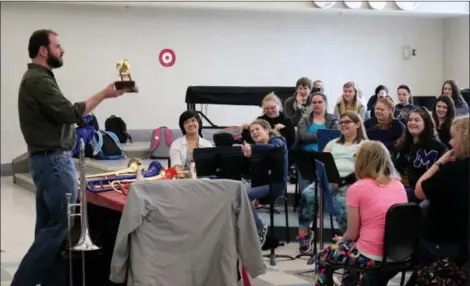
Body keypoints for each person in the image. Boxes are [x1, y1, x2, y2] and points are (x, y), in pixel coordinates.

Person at [12, 29, 129, 286]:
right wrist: (103, 94)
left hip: (47, 162)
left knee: (49, 230)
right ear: (43, 50)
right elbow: (68, 112)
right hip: (54, 162)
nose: (62, 50)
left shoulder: (41, 78)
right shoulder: (37, 80)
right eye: (57, 46)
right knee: (58, 229)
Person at [311, 140, 407, 286]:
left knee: (322, 258)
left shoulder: (358, 188)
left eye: (356, 155)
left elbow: (352, 234)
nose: (354, 157)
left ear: (363, 160)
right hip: (399, 254)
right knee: (353, 248)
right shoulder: (398, 184)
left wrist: (343, 239)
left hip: (372, 255)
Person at [296, 111, 367, 253]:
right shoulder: (332, 143)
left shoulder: (365, 145)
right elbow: (321, 161)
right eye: (341, 122)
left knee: (341, 202)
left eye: (347, 122)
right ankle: (304, 233)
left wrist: (343, 181)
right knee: (307, 194)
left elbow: (365, 168)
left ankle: (349, 240)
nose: (343, 125)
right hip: (327, 179)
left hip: (350, 183)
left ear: (358, 124)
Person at [242, 119, 288, 247]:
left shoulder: (277, 140)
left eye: (257, 129)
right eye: (252, 131)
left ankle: (259, 228)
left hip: (275, 184)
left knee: (244, 193)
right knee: (236, 191)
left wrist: (252, 147)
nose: (254, 132)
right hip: (261, 183)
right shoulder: (257, 147)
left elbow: (276, 148)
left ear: (266, 130)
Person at [394, 107, 447, 203]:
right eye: (410, 120)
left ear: (426, 124)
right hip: (401, 187)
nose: (412, 123)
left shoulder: (438, 148)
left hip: (423, 193)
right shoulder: (402, 145)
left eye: (417, 120)